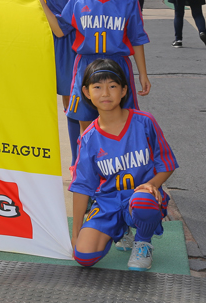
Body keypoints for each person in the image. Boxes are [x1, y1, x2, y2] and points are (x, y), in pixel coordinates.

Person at [70, 58, 178, 272]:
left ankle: (143, 242)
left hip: (140, 198)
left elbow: (167, 163)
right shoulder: (89, 138)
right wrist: (75, 233)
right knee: (83, 256)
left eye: (112, 86)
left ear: (124, 90)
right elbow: (82, 186)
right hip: (108, 202)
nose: (105, 93)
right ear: (86, 92)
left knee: (143, 199)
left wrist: (152, 184)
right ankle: (120, 230)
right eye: (97, 87)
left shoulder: (144, 122)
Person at [39, 0, 152, 134]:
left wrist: (143, 73)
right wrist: (41, 1)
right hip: (85, 66)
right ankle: (86, 155)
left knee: (120, 124)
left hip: (118, 65)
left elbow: (137, 39)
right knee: (86, 125)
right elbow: (59, 29)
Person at [29, 0, 86, 163]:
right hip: (33, 39)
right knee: (32, 102)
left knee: (72, 104)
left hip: (66, 41)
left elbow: (81, 7)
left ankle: (77, 162)